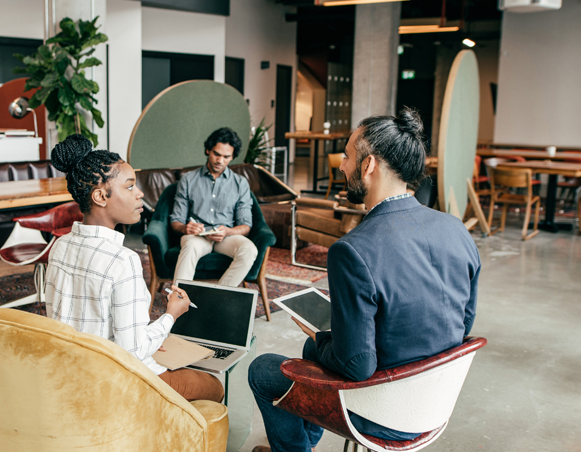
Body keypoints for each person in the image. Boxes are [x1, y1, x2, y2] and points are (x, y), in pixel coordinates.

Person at [248, 109, 481, 452]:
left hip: (382, 410)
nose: (342, 166)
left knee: (263, 369)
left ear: (369, 165)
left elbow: (358, 367)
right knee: (314, 350)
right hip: (433, 402)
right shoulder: (455, 228)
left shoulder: (353, 250)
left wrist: (322, 335)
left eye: (346, 156)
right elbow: (464, 323)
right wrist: (323, 342)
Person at [43, 134, 224, 402]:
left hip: (71, 373)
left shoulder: (59, 246)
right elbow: (134, 351)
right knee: (215, 387)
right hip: (118, 381)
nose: (140, 194)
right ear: (100, 196)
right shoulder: (122, 260)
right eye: (129, 187)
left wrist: (148, 334)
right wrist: (171, 315)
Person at [170, 127, 258, 287]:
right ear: (208, 150)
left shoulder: (240, 183)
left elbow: (246, 225)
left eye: (226, 157)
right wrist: (186, 228)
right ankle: (178, 301)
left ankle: (217, 296)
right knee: (190, 246)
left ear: (232, 157)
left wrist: (228, 231)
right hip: (197, 237)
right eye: (216, 154)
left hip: (226, 237)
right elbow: (176, 221)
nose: (220, 161)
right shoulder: (188, 180)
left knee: (249, 249)